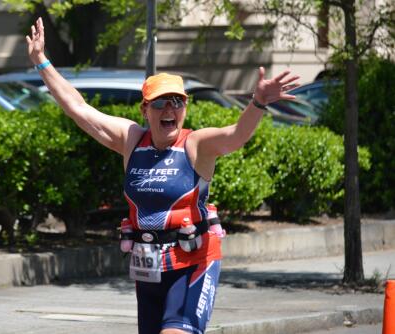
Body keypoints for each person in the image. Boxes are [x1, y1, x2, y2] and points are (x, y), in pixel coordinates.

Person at [26, 17, 299, 334]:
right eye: (159, 103)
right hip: (149, 267)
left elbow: (236, 135)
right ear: (145, 110)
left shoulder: (195, 145)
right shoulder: (131, 140)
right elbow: (78, 108)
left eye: (177, 102)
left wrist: (258, 102)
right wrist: (40, 61)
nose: (169, 109)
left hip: (193, 262)